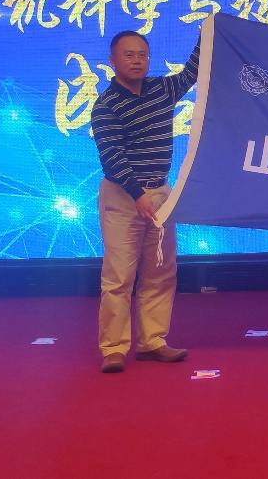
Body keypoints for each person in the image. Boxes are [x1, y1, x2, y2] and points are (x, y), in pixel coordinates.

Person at [92, 29, 200, 373]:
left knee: (160, 272)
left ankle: (153, 341)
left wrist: (207, 34)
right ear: (113, 61)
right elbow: (112, 156)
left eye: (142, 55)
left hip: (160, 192)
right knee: (119, 277)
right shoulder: (106, 105)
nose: (137, 60)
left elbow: (192, 72)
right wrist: (138, 194)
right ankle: (113, 348)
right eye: (129, 55)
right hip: (123, 196)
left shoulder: (161, 89)